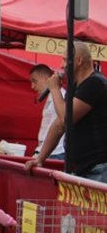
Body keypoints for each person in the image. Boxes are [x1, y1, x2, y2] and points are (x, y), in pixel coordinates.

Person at [30, 42, 107, 182]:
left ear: (78, 60)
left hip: (98, 168)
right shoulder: (76, 86)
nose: (61, 65)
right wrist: (40, 158)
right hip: (83, 168)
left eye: (65, 60)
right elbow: (59, 125)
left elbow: (67, 118)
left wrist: (54, 89)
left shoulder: (94, 84)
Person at [29, 64, 66, 160]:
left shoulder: (61, 96)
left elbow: (62, 122)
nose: (32, 86)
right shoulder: (51, 96)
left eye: (34, 81)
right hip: (47, 151)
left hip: (56, 152)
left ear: (46, 79)